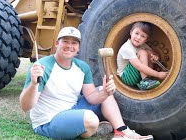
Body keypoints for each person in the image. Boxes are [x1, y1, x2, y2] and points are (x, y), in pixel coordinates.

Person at [19, 27, 153, 140]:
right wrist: (33, 84)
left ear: (78, 48)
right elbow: (25, 107)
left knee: (102, 90)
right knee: (91, 120)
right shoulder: (42, 67)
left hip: (72, 109)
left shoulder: (82, 67)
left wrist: (105, 93)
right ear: (57, 44)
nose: (69, 46)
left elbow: (91, 97)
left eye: (74, 43)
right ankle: (93, 128)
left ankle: (122, 132)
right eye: (65, 41)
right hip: (49, 120)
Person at [117, 22, 168, 90]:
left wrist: (155, 57)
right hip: (127, 77)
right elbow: (139, 66)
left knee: (148, 52)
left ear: (146, 40)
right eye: (136, 33)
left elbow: (153, 54)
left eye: (143, 36)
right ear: (131, 32)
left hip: (136, 75)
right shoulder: (127, 48)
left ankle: (147, 80)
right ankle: (145, 81)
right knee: (143, 52)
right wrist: (158, 74)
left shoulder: (143, 45)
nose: (138, 37)